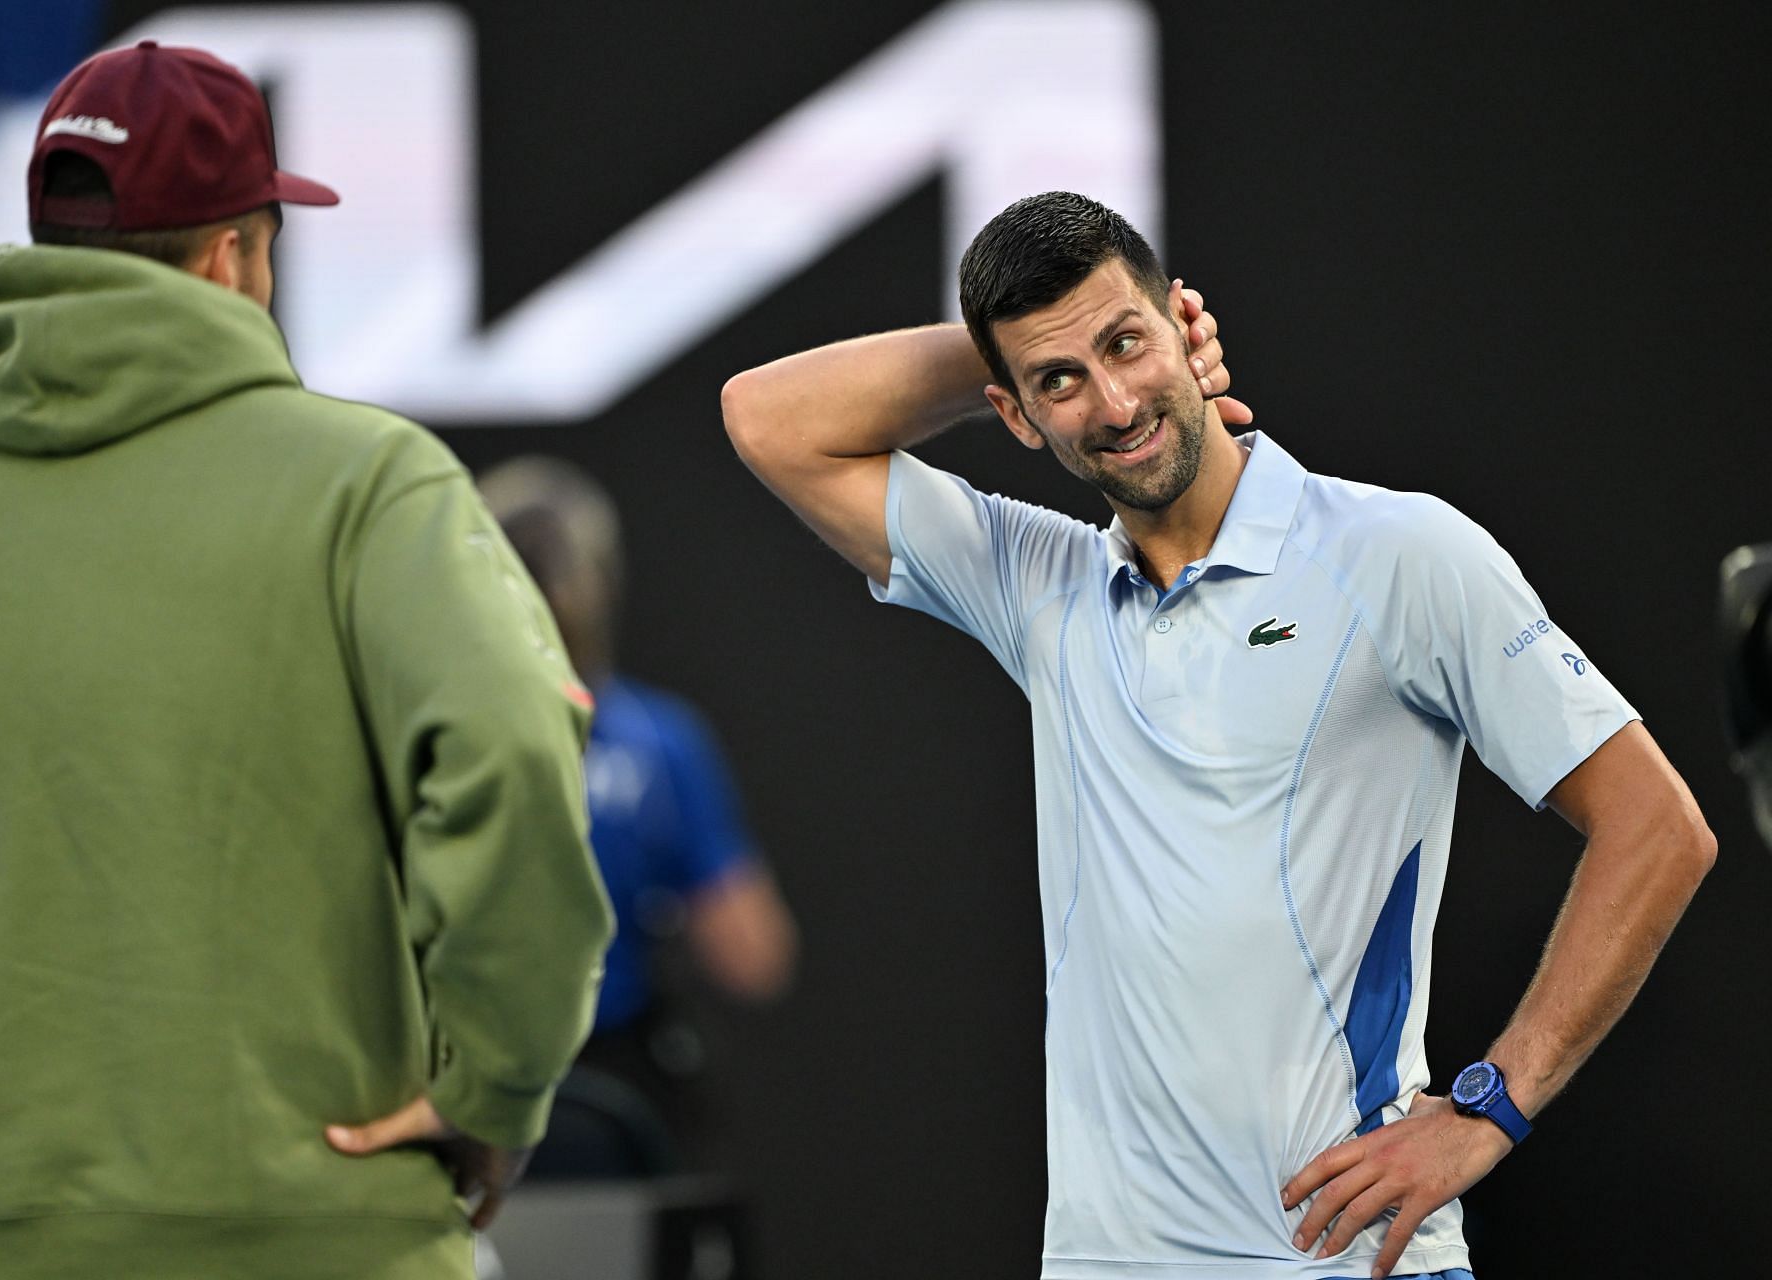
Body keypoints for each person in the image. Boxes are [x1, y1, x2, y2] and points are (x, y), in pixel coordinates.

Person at [720, 190, 1715, 1280]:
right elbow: (769, 416)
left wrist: (1492, 1106)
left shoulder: (1400, 552)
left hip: (1347, 1262)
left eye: (1126, 341)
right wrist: (1002, 355)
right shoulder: (1037, 583)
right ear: (1015, 416)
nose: (1113, 400)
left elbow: (1658, 827)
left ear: (1184, 329)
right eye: (1061, 381)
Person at [0, 41, 612, 1280]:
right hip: (328, 1237)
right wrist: (497, 1085)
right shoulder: (372, 487)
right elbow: (518, 755)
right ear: (232, 257)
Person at [478, 456, 797, 1174]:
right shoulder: (657, 745)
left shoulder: (425, 737)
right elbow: (754, 956)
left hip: (466, 1096)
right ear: (601, 585)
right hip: (608, 1103)